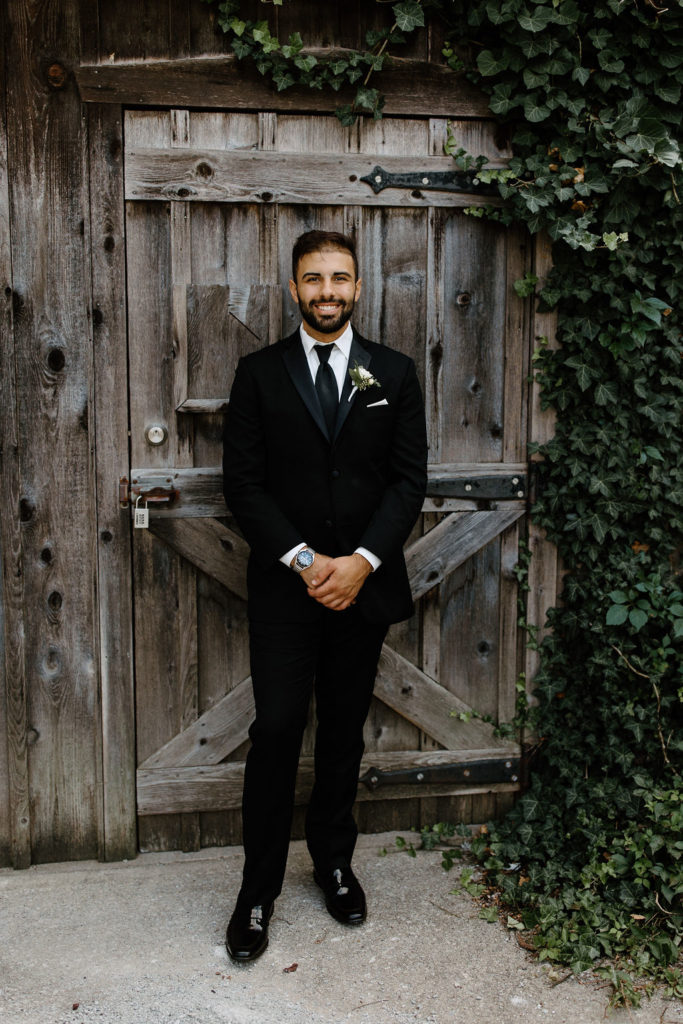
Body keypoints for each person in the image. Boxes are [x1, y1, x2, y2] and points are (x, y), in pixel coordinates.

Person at [222, 230, 427, 962]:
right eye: (313, 279)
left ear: (359, 288)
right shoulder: (258, 373)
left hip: (362, 589)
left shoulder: (394, 375)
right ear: (293, 289)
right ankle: (257, 890)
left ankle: (335, 863)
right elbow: (241, 484)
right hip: (287, 588)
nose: (327, 291)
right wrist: (309, 561)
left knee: (342, 728)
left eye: (339, 278)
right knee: (277, 728)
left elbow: (408, 480)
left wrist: (362, 562)